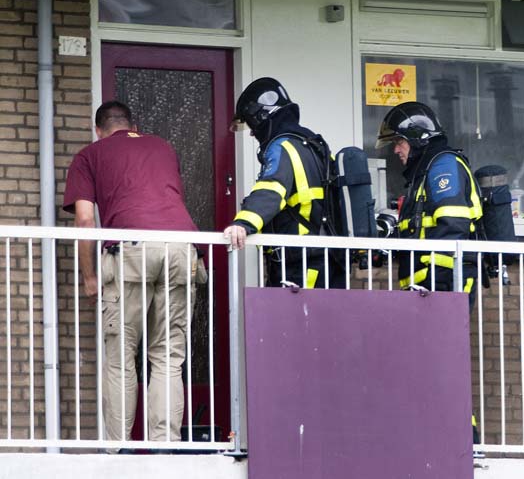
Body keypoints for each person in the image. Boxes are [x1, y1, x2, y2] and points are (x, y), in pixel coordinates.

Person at [63, 100, 202, 444]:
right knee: (168, 356)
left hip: (132, 249)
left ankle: (119, 450)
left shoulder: (90, 155)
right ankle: (163, 449)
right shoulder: (163, 148)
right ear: (131, 124)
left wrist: (89, 276)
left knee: (121, 356)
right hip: (181, 248)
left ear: (98, 129)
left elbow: (84, 219)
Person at [223, 77, 345, 288]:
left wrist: (242, 224)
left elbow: (271, 190)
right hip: (326, 260)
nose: (252, 133)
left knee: (294, 321)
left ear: (262, 117)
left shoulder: (283, 146)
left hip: (301, 264)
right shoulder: (311, 144)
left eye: (252, 125)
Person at [376, 101, 483, 309]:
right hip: (425, 288)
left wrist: (436, 283)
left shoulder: (443, 166)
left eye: (400, 141)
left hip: (441, 287)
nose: (396, 149)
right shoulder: (425, 171)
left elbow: (452, 225)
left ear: (418, 138)